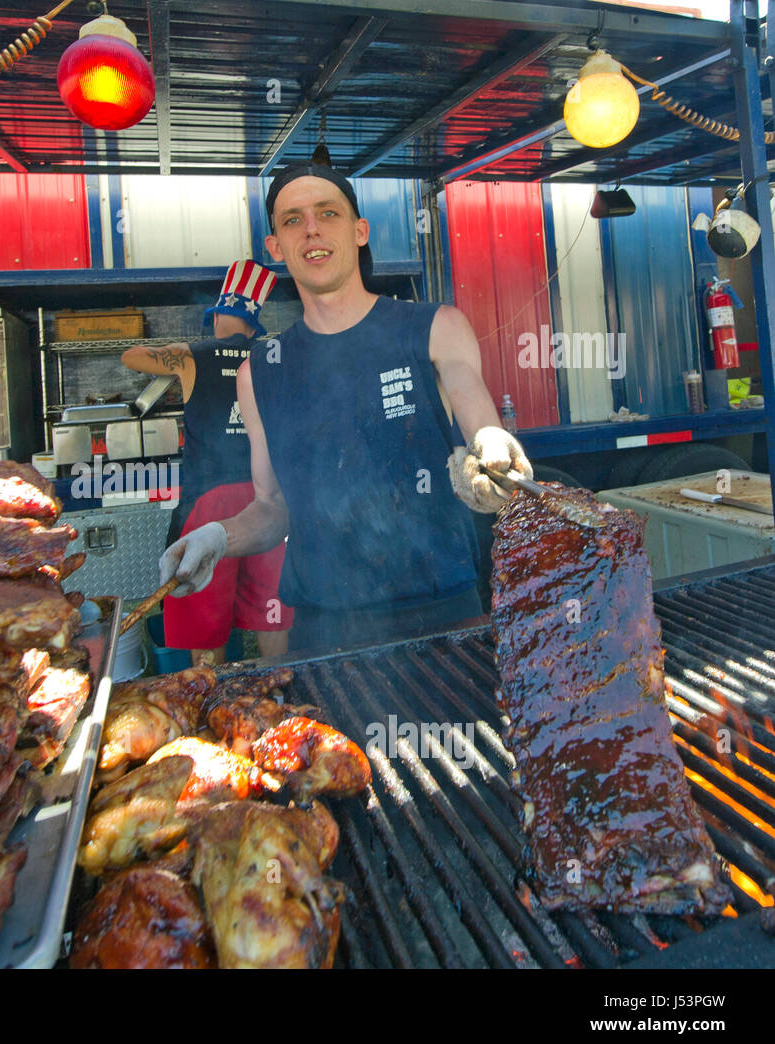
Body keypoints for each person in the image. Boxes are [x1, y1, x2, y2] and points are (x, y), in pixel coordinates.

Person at [158, 158, 533, 654]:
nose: (311, 229)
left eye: (328, 213)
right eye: (292, 220)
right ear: (275, 247)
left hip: (445, 615)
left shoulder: (434, 326)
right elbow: (272, 509)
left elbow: (482, 427)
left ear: (359, 231)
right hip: (324, 630)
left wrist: (491, 450)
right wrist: (217, 537)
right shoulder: (260, 371)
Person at [122, 261, 291, 665]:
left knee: (204, 614)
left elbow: (132, 356)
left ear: (216, 317)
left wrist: (183, 352)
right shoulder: (274, 355)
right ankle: (283, 690)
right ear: (254, 326)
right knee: (274, 611)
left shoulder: (190, 356)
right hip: (266, 502)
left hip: (207, 504)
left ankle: (210, 695)